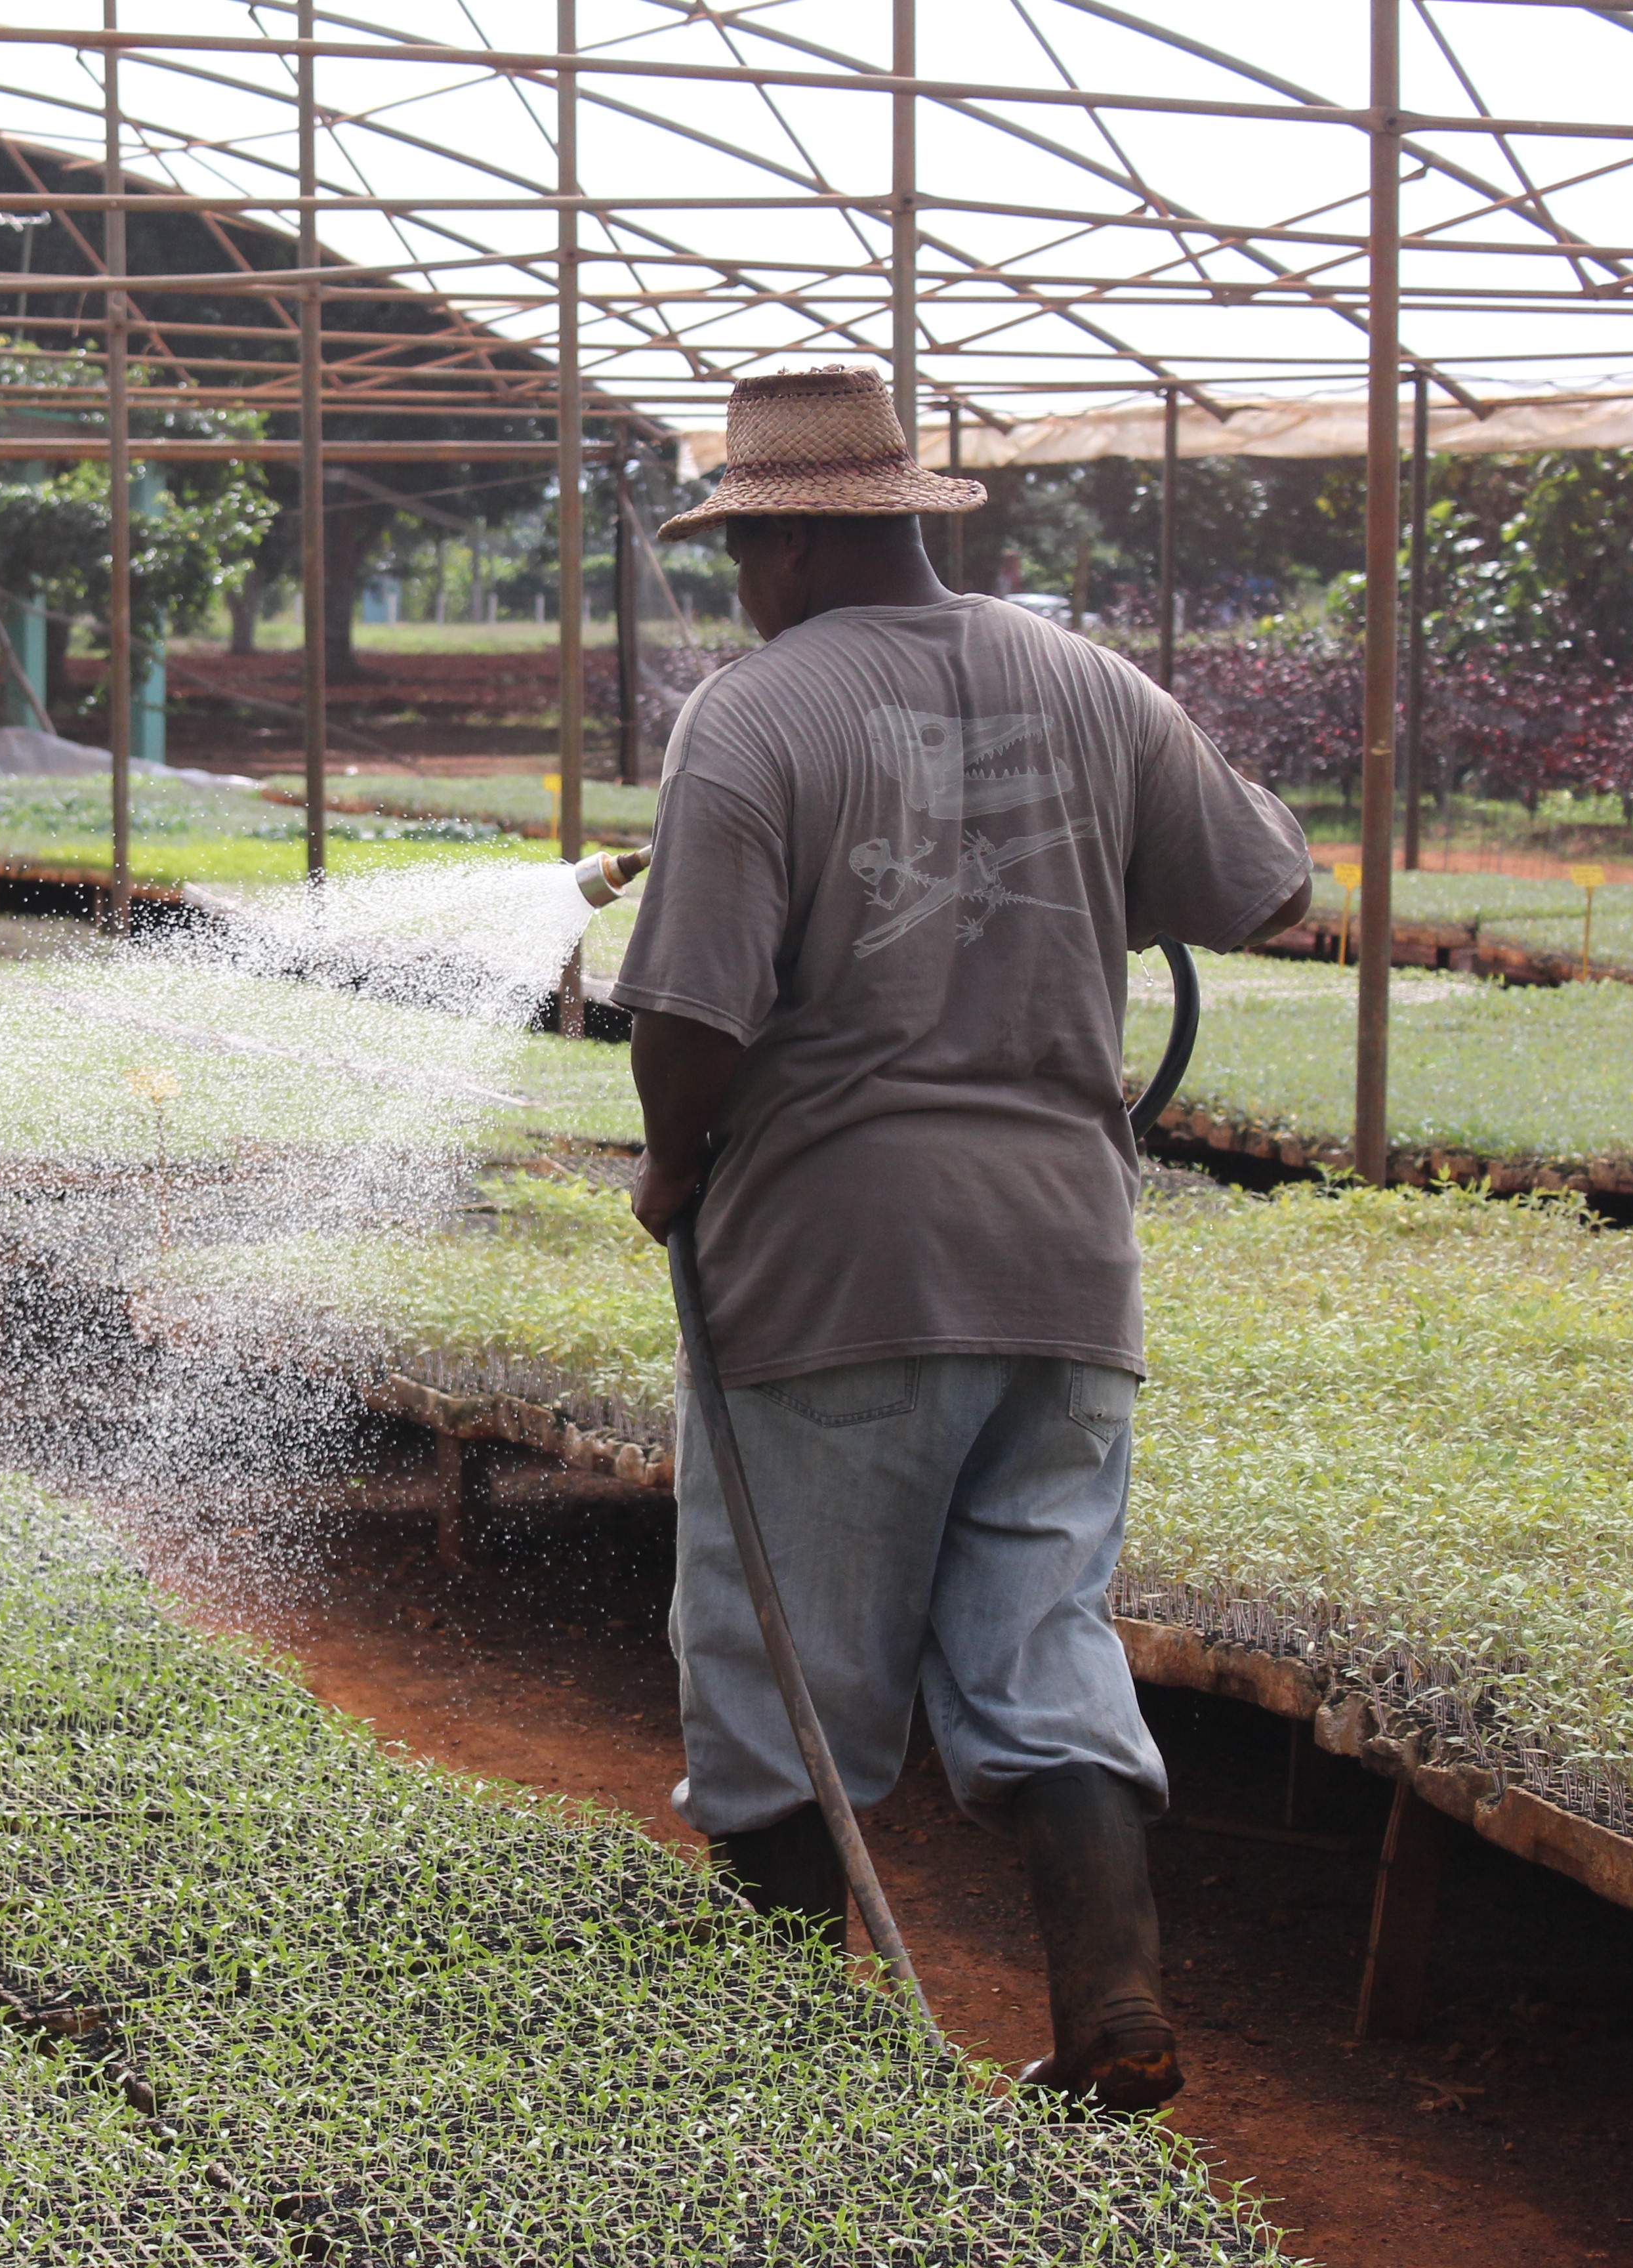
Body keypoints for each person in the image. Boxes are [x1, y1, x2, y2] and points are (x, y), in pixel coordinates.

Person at [610, 364, 1313, 2114]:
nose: (738, 584)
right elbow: (1266, 882)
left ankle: (798, 2067)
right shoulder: (1090, 681)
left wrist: (672, 1164)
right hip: (1065, 1269)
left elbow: (688, 1012)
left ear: (788, 544)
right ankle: (1112, 2000)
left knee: (783, 1660)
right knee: (1042, 1634)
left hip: (835, 1273)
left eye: (741, 551)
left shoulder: (750, 715)